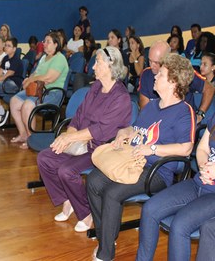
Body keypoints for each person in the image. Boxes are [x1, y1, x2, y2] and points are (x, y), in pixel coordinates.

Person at [87, 53, 196, 261]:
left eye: (161, 74)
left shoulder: (184, 111)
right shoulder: (153, 105)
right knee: (93, 180)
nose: (154, 76)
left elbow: (186, 149)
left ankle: (105, 254)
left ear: (173, 82)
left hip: (157, 171)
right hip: (132, 160)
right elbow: (137, 129)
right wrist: (125, 132)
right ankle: (106, 237)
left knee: (112, 193)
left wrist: (152, 149)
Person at [37, 47, 131, 233]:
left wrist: (71, 138)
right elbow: (79, 116)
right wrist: (68, 137)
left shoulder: (121, 97)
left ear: (111, 66)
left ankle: (86, 213)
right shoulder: (95, 87)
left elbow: (101, 130)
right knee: (45, 158)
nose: (93, 66)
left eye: (98, 62)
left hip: (101, 149)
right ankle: (68, 200)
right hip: (81, 143)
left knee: (66, 171)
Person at [136, 113, 215, 261]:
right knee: (150, 209)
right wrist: (205, 168)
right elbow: (202, 148)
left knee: (179, 226)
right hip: (199, 182)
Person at [9, 31, 69, 149]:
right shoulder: (43, 58)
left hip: (52, 93)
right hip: (37, 90)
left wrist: (32, 79)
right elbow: (35, 74)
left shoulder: (60, 58)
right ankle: (23, 135)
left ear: (56, 44)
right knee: (14, 101)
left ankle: (32, 140)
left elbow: (49, 78)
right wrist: (28, 80)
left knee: (27, 105)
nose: (44, 44)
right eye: (44, 41)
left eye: (48, 42)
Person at [138, 40, 214, 123]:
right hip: (157, 124)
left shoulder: (182, 72)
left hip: (183, 122)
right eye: (150, 61)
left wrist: (200, 114)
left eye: (156, 62)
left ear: (169, 59)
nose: (152, 66)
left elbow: (209, 88)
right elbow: (145, 110)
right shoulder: (146, 74)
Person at [0, 37, 23, 127]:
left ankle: (0, 112)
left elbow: (8, 75)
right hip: (5, 82)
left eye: (9, 46)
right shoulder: (6, 58)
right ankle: (1, 112)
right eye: (5, 45)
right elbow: (0, 72)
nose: (6, 47)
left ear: (14, 49)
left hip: (14, 84)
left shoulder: (16, 60)